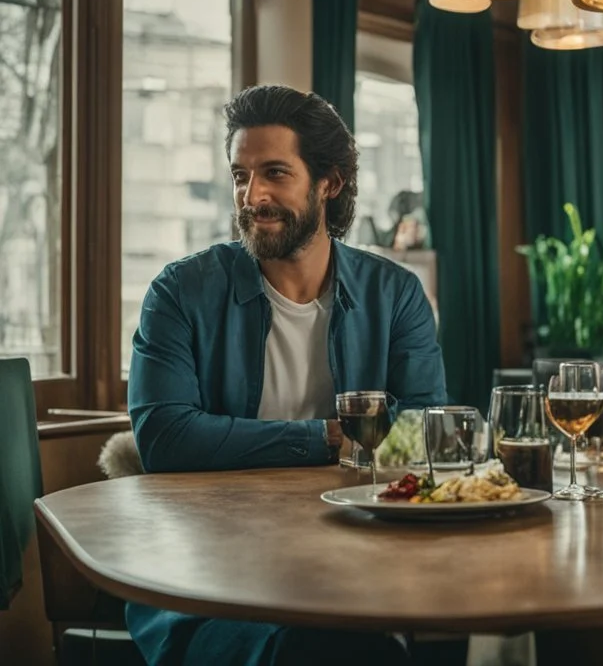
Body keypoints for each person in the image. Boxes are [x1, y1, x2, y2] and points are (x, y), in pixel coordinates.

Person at [126, 85, 448, 664]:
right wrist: (326, 437)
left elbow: (427, 429)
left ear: (330, 182)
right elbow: (165, 439)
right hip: (209, 569)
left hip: (360, 554)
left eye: (275, 172)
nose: (253, 196)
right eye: (240, 176)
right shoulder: (179, 293)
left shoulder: (395, 293)